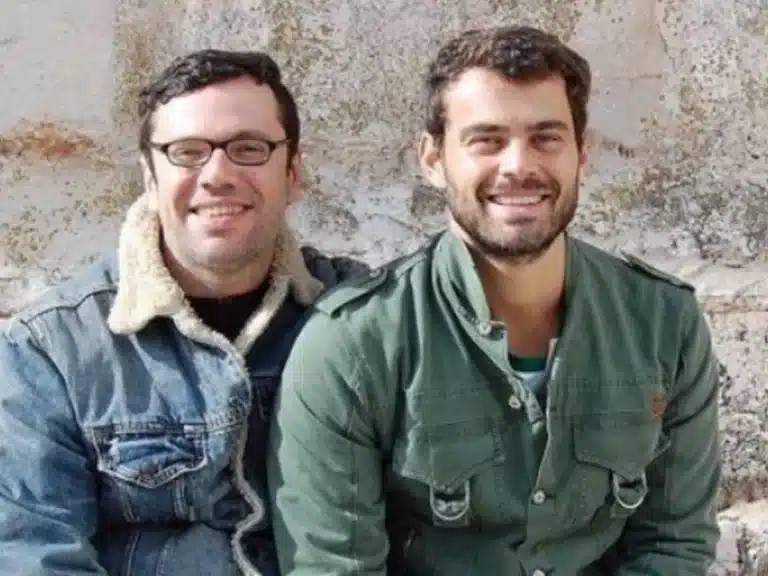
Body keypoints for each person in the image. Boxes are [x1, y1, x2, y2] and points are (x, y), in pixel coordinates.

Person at [267, 25, 721, 575]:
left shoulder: (663, 324)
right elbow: (335, 565)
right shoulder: (353, 345)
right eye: (486, 140)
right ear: (432, 159)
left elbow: (673, 544)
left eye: (546, 138)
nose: (518, 166)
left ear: (582, 152)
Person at [0, 49, 366, 575]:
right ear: (150, 177)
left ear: (293, 173)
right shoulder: (52, 349)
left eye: (249, 148)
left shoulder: (361, 316)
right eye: (187, 152)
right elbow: (34, 553)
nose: (217, 174)